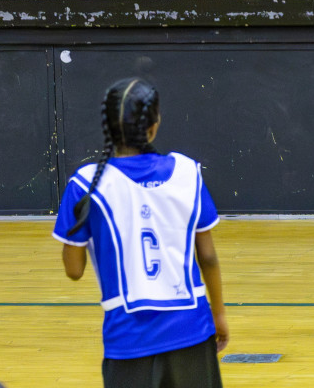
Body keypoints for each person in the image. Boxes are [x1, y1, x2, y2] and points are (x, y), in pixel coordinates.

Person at [53, 78, 229, 388]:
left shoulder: (84, 185)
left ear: (107, 127)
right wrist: (220, 316)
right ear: (153, 125)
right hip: (192, 330)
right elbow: (209, 257)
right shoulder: (188, 173)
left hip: (129, 341)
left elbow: (74, 271)